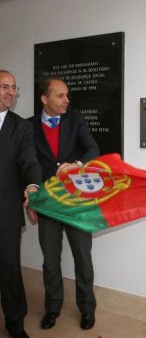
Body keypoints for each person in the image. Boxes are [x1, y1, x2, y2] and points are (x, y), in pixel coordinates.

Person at [29, 76, 100, 330]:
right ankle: (52, 308)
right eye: (60, 95)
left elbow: (93, 149)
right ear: (44, 99)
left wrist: (78, 164)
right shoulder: (29, 126)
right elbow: (27, 165)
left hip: (76, 202)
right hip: (47, 203)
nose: (66, 100)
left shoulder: (76, 120)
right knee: (50, 260)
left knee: (83, 258)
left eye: (67, 95)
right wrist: (31, 198)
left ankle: (88, 308)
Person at [0, 70, 42, 338]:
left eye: (14, 87)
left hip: (5, 211)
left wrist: (32, 185)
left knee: (9, 270)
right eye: (4, 86)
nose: (10, 92)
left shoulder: (21, 126)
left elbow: (29, 160)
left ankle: (15, 324)